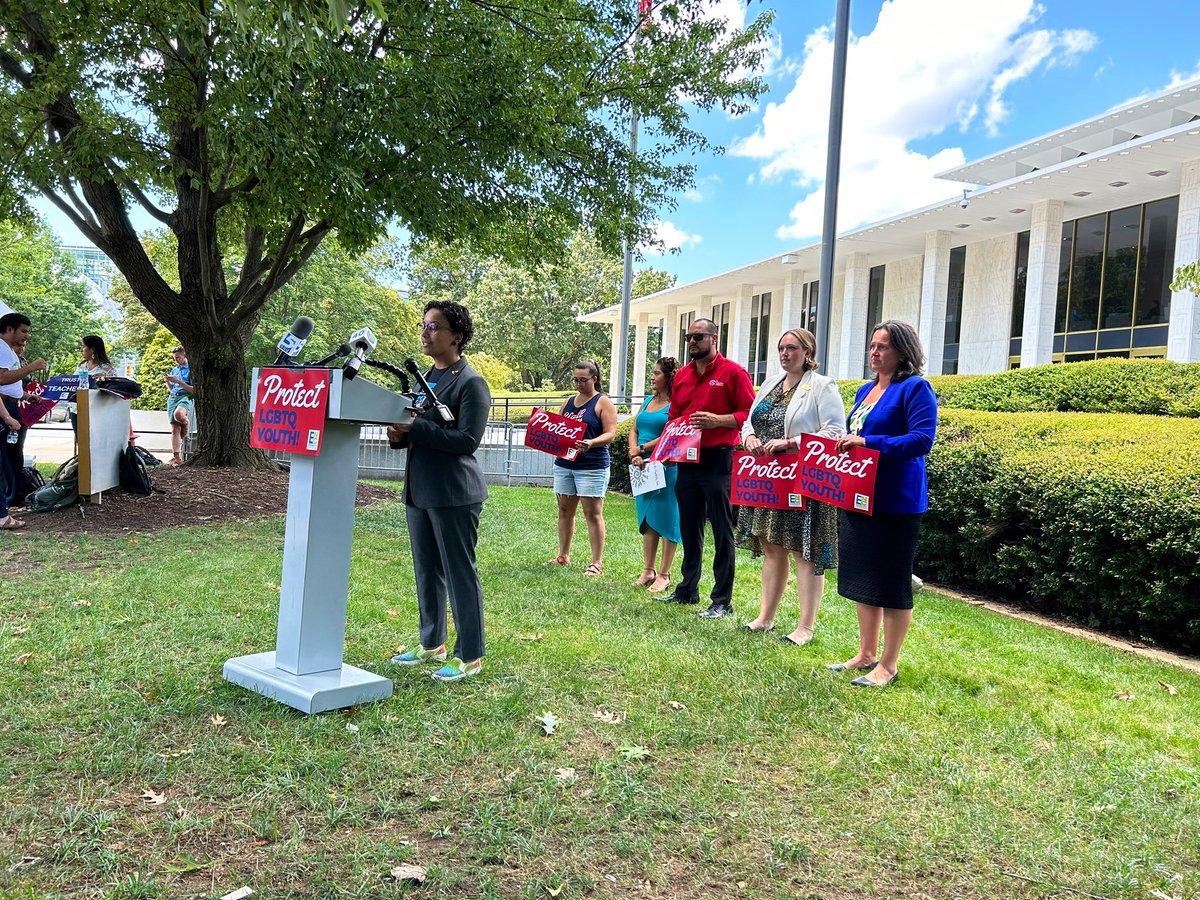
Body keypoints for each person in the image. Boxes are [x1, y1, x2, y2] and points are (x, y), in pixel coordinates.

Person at [828, 320, 937, 688]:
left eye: (883, 347)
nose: (875, 352)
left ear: (903, 352)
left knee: (891, 582)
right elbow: (854, 435)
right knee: (863, 577)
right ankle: (866, 653)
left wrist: (869, 444)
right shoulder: (864, 391)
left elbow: (922, 440)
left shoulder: (915, 388)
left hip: (896, 500)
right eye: (872, 346)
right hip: (859, 495)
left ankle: (888, 665)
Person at [388, 301, 492, 682]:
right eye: (424, 325)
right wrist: (398, 435)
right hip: (419, 489)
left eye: (434, 327)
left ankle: (471, 654)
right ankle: (432, 642)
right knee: (427, 568)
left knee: (459, 571)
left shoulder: (471, 383)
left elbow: (467, 441)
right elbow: (414, 427)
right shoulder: (424, 379)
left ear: (457, 336)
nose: (425, 332)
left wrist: (417, 430)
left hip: (454, 492)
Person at [738, 328, 845, 643]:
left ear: (807, 351)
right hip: (770, 480)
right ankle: (765, 617)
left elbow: (835, 431)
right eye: (781, 348)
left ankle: (805, 627)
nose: (785, 354)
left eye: (792, 348)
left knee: (805, 552)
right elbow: (748, 420)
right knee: (773, 547)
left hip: (805, 481)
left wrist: (791, 443)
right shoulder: (770, 383)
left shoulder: (822, 386)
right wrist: (750, 438)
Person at [662, 318, 756, 618]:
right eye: (688, 336)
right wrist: (668, 446)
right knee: (689, 528)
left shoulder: (734, 373)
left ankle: (721, 601)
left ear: (714, 339)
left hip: (719, 458)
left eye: (698, 336)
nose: (692, 341)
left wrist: (719, 420)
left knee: (720, 530)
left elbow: (748, 414)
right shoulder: (683, 376)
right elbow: (674, 415)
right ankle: (687, 589)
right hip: (687, 460)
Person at [548, 360, 618, 576]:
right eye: (575, 380)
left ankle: (596, 562)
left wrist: (592, 442)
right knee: (564, 510)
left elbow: (611, 433)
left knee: (592, 513)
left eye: (583, 380)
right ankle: (563, 556)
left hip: (592, 466)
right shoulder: (569, 402)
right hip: (565, 464)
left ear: (594, 379)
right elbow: (559, 428)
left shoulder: (602, 402)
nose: (578, 384)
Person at [627, 357, 682, 593]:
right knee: (648, 519)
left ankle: (664, 574)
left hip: (666, 468)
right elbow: (634, 427)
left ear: (669, 377)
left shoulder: (676, 404)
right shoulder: (648, 400)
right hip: (642, 468)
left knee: (668, 520)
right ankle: (648, 570)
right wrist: (634, 453)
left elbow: (672, 433)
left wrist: (643, 449)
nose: (652, 377)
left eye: (657, 373)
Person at [0, 312, 48, 529]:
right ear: (9, 329)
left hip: (10, 405)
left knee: (12, 457)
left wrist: (25, 396)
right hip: (5, 408)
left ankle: (11, 500)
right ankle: (7, 505)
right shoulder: (1, 347)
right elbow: (1, 378)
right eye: (23, 331)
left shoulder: (8, 350)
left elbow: (8, 384)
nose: (26, 336)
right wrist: (32, 367)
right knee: (6, 460)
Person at [68, 335, 118, 435]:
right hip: (77, 410)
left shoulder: (106, 369)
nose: (81, 349)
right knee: (81, 442)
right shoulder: (82, 366)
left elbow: (114, 390)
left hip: (97, 411)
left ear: (93, 349)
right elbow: (73, 383)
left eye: (84, 346)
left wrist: (102, 380)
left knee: (95, 442)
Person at [164, 346, 193, 464]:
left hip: (185, 396)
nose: (176, 360)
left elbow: (193, 390)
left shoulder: (191, 369)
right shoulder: (174, 370)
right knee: (175, 428)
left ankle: (186, 423)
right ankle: (176, 457)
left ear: (184, 355)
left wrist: (178, 381)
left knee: (179, 415)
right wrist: (168, 382)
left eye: (178, 357)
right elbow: (172, 389)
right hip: (173, 397)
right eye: (174, 358)